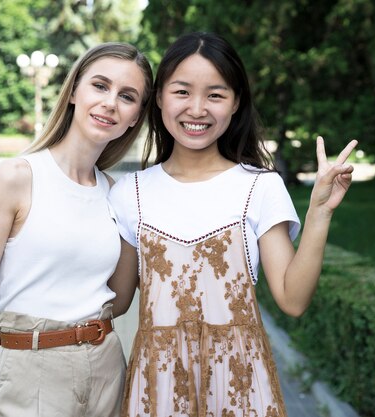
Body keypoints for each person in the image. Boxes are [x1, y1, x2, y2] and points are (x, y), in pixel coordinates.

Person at [105, 32, 358, 416]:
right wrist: (25, 322)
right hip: (157, 387)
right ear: (159, 98)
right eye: (182, 92)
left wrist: (320, 213)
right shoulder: (130, 192)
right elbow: (115, 301)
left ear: (236, 103)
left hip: (241, 386)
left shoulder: (259, 186)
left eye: (215, 95)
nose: (197, 109)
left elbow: (292, 299)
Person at [0, 42, 153, 417]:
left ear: (135, 116)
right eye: (99, 86)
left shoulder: (117, 195)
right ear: (73, 91)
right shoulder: (19, 176)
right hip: (32, 372)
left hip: (105, 367)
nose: (110, 103)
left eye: (127, 96)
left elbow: (117, 302)